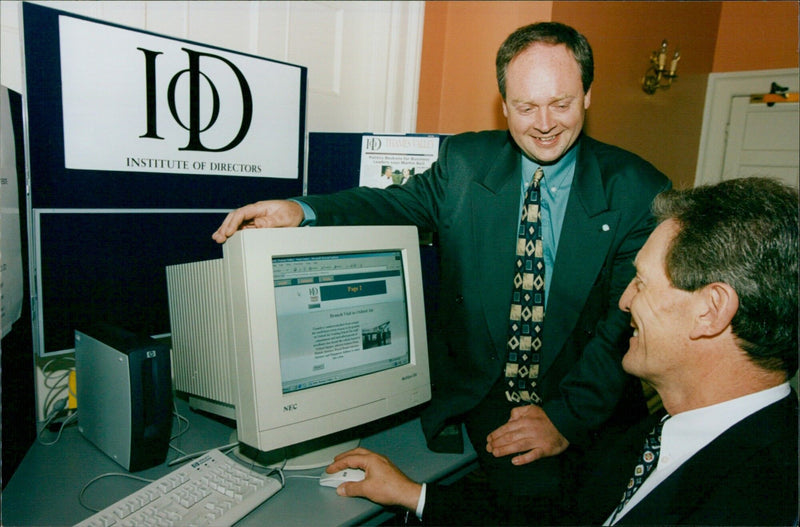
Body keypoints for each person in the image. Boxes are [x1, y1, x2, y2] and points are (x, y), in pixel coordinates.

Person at [213, 22, 671, 523]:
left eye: (560, 104)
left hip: (588, 403)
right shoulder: (464, 163)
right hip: (487, 395)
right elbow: (394, 205)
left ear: (587, 95)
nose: (543, 123)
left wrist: (564, 419)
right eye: (525, 107)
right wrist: (302, 211)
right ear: (503, 104)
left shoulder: (636, 189)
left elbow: (618, 327)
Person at [324, 176, 799, 526]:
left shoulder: (764, 499)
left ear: (711, 310)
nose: (624, 300)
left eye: (642, 282)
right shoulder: (662, 433)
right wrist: (413, 493)